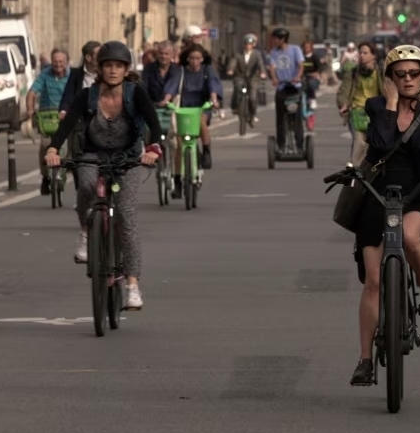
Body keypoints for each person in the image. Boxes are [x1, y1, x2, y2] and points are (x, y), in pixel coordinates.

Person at [348, 45, 420, 386]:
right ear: (390, 79)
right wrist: (387, 104)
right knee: (372, 281)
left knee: (411, 236)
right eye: (400, 75)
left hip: (417, 193)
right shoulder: (376, 108)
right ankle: (365, 360)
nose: (408, 80)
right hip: (378, 194)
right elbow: (383, 143)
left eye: (414, 73)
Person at [43, 42, 163, 309]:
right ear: (99, 68)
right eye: (107, 65)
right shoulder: (88, 95)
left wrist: (154, 148)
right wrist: (53, 148)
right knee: (85, 186)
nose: (112, 70)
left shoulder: (136, 94)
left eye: (118, 66)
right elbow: (67, 124)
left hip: (128, 159)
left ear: (125, 70)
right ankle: (86, 231)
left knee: (126, 216)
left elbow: (154, 124)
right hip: (92, 155)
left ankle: (132, 285)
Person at [166, 43, 222, 199]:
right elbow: (172, 86)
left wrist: (214, 99)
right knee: (178, 146)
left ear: (202, 59)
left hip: (202, 107)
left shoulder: (207, 70)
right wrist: (166, 99)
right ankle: (177, 182)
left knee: (202, 122)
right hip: (184, 109)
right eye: (192, 58)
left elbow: (213, 85)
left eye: (198, 58)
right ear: (187, 59)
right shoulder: (181, 71)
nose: (195, 61)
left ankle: (206, 152)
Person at [27, 48, 71, 194]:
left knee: (70, 147)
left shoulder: (72, 76)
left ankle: (67, 171)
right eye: (55, 62)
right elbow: (32, 92)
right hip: (47, 117)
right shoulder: (45, 75)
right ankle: (46, 176)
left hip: (66, 117)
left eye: (61, 62)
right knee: (45, 146)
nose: (58, 65)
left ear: (66, 62)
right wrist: (30, 110)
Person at [336, 42, 381, 166]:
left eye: (365, 53)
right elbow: (344, 90)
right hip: (356, 111)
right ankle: (355, 170)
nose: (361, 55)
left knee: (374, 142)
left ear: (373, 56)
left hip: (376, 112)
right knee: (359, 141)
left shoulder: (381, 72)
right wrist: (343, 105)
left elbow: (388, 91)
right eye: (360, 52)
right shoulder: (353, 72)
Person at [267, 27, 305, 151]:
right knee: (280, 118)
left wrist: (298, 77)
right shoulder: (274, 52)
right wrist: (274, 78)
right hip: (282, 87)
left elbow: (300, 65)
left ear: (282, 39)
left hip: (294, 88)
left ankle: (300, 145)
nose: (273, 41)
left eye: (275, 39)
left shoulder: (295, 50)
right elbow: (272, 67)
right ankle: (281, 145)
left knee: (297, 118)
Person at [226, 34, 268, 127]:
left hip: (253, 78)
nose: (247, 46)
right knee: (237, 88)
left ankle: (252, 115)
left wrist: (262, 73)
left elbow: (260, 64)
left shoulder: (257, 54)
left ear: (253, 45)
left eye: (249, 44)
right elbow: (233, 62)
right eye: (246, 44)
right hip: (240, 76)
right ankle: (235, 106)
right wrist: (230, 70)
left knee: (253, 97)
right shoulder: (238, 54)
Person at [300, 40, 323, 110]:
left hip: (312, 76)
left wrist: (316, 73)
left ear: (311, 48)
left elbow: (320, 67)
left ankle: (313, 99)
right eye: (305, 47)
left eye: (308, 47)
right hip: (302, 76)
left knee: (311, 84)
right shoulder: (300, 56)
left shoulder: (314, 57)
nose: (306, 49)